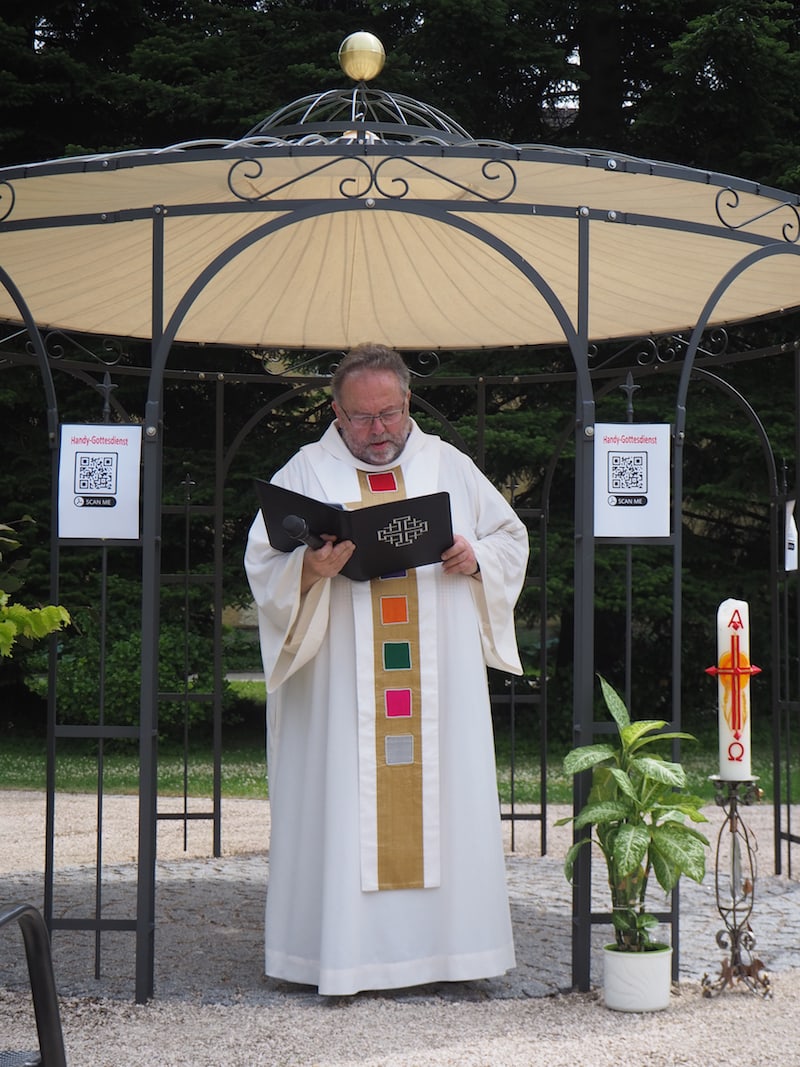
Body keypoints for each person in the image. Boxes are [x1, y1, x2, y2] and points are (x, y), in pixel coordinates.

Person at [244, 342, 529, 996]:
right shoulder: (307, 472)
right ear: (337, 413)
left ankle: (453, 955)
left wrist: (474, 556)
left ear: (408, 403)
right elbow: (263, 565)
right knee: (347, 803)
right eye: (363, 417)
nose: (379, 430)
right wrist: (308, 570)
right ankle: (341, 958)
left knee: (444, 799)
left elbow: (510, 539)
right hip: (342, 691)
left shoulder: (448, 466)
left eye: (391, 413)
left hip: (440, 689)